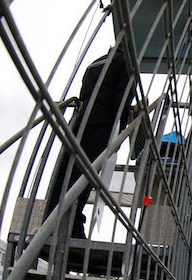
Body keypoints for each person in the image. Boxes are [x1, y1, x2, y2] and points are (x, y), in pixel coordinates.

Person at [46, 47, 135, 239]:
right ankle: (73, 227)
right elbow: (122, 100)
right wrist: (119, 132)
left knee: (65, 172)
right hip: (101, 124)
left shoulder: (97, 62)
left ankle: (50, 220)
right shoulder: (126, 63)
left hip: (79, 121)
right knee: (86, 175)